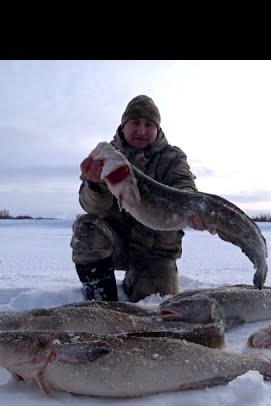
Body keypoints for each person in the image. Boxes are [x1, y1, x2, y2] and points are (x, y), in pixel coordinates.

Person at [70, 94, 205, 302]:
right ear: (123, 126)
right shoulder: (106, 156)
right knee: (86, 228)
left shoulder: (173, 158)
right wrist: (95, 185)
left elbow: (185, 186)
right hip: (115, 244)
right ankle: (101, 302)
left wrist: (193, 207)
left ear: (157, 129)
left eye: (149, 124)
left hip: (155, 252)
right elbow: (90, 206)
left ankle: (137, 280)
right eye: (135, 123)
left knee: (158, 307)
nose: (142, 130)